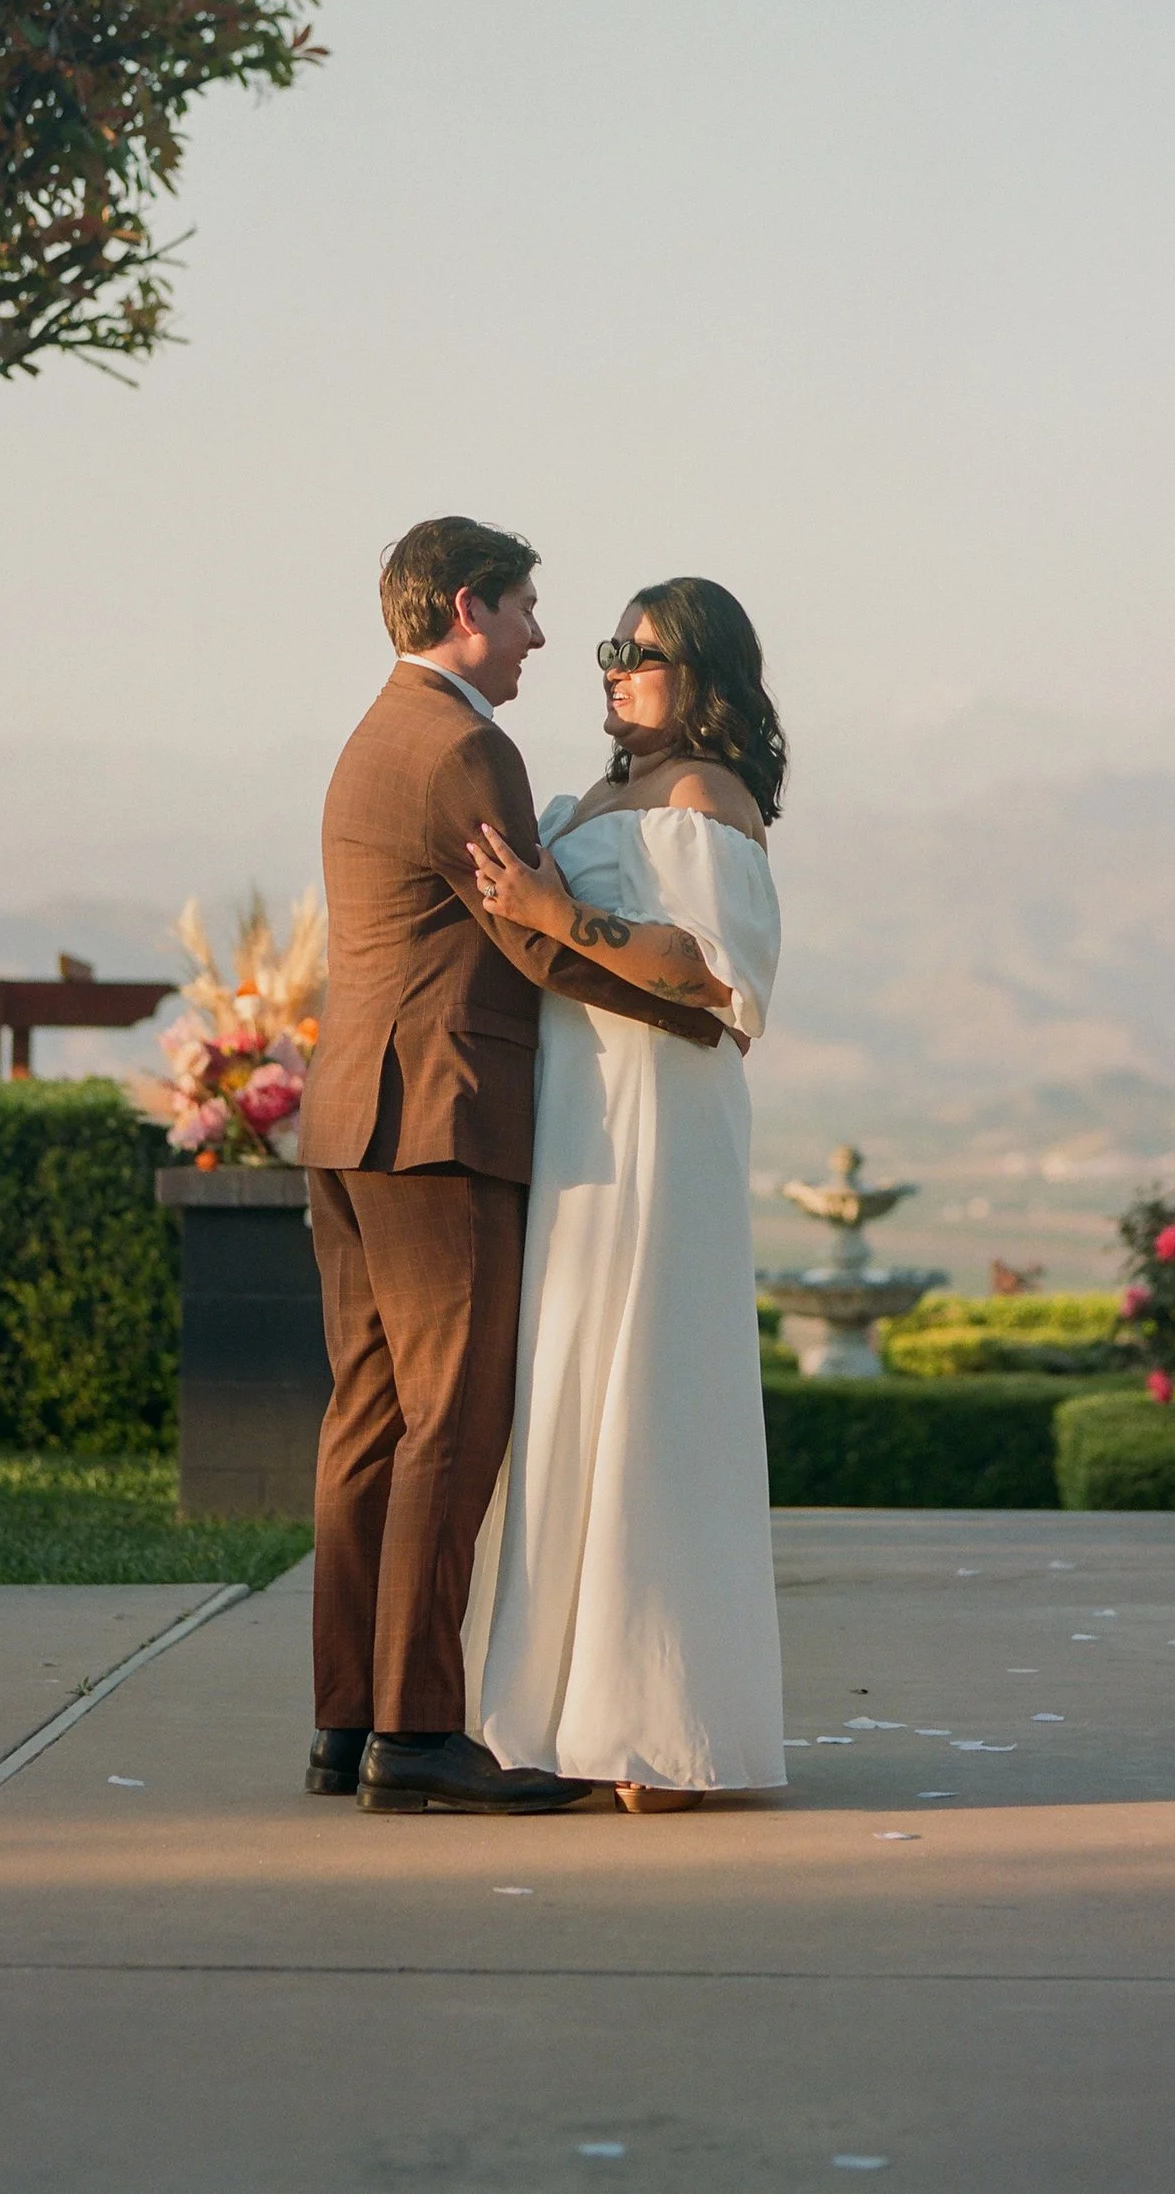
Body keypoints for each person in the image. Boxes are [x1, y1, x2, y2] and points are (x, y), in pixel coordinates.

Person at [298, 517, 726, 1817]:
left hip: (348, 1119)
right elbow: (534, 939)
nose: (546, 637)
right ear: (470, 606)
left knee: (368, 1418)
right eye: (531, 609)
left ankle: (348, 1718)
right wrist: (694, 1001)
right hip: (438, 1120)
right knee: (451, 1418)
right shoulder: (468, 741)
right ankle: (423, 1732)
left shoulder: (379, 728)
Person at [465, 575, 788, 1810]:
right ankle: (548, 1713)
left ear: (701, 677)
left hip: (659, 1114)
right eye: (606, 647)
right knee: (566, 1389)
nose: (608, 668)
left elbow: (709, 976)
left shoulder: (708, 797)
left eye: (635, 652)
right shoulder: (591, 793)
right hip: (577, 1112)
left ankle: (663, 1729)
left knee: (649, 1390)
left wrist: (555, 910)